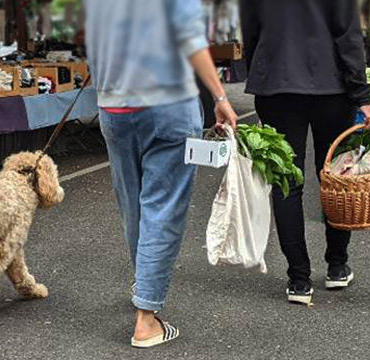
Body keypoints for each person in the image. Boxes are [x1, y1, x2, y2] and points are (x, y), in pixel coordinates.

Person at [84, 0, 238, 348]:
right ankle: (146, 319)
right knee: (162, 207)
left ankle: (144, 284)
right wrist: (219, 96)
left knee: (133, 204)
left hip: (115, 106)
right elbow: (191, 40)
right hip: (167, 103)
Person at [241, 0, 370, 305]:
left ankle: (299, 279)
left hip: (277, 86)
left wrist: (262, 73)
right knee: (335, 177)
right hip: (331, 87)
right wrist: (362, 95)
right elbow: (348, 34)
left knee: (287, 183)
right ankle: (337, 265)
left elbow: (250, 31)